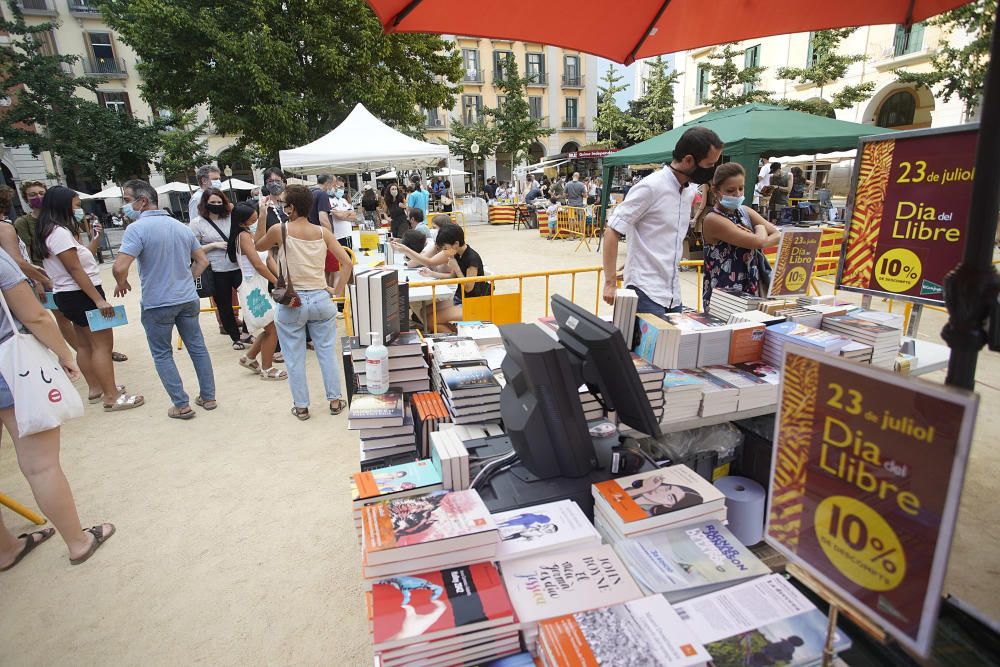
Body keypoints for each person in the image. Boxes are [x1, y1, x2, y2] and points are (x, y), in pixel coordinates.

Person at [0, 251, 115, 569]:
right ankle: (78, 541)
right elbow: (35, 315)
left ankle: (5, 548)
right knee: (41, 466)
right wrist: (65, 354)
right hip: (9, 366)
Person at [112, 180, 216, 420]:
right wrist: (186, 280)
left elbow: (120, 266)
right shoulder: (181, 227)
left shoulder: (136, 229)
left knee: (162, 353)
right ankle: (208, 397)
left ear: (143, 201)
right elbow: (202, 261)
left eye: (128, 200)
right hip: (186, 298)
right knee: (197, 348)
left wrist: (121, 281)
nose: (126, 206)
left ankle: (181, 404)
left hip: (157, 301)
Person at [35, 186, 142, 412]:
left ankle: (97, 388)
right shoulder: (59, 233)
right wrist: (98, 300)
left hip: (69, 295)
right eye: (76, 205)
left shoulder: (50, 231)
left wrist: (95, 238)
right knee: (102, 345)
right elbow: (75, 270)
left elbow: (80, 260)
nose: (79, 210)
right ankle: (111, 396)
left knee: (84, 344)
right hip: (82, 294)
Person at [255, 184, 353, 420]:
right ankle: (335, 400)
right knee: (327, 352)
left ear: (291, 207)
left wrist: (261, 214)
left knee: (294, 357)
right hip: (321, 297)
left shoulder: (281, 229)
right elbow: (347, 264)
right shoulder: (323, 233)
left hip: (292, 301)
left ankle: (301, 406)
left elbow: (258, 245)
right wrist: (335, 292)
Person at [602, 126, 724, 316]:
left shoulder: (689, 191)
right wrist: (609, 283)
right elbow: (612, 230)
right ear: (689, 160)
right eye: (709, 165)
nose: (712, 170)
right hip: (645, 292)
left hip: (673, 294)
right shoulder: (650, 187)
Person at [699, 163, 781, 311]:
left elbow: (777, 235)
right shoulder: (713, 219)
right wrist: (760, 229)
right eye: (730, 190)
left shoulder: (744, 211)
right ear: (716, 191)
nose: (737, 194)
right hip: (724, 297)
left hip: (751, 290)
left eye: (741, 188)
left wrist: (759, 238)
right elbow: (759, 241)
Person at [226, 202, 285, 381]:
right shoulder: (243, 236)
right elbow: (258, 264)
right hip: (252, 289)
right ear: (243, 221)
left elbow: (261, 246)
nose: (255, 221)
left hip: (258, 286)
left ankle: (250, 357)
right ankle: (267, 368)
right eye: (252, 219)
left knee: (270, 327)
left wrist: (262, 214)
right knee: (272, 328)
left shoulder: (248, 234)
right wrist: (277, 282)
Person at [190, 188, 252, 350]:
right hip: (215, 270)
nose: (216, 205)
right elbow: (192, 250)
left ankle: (246, 331)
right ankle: (235, 337)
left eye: (219, 202)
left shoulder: (231, 217)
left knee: (249, 297)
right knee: (224, 305)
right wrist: (213, 245)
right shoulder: (197, 223)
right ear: (205, 204)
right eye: (213, 202)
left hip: (237, 265)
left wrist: (229, 206)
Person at [407, 224, 487, 333]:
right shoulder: (458, 254)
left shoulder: (472, 259)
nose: (444, 252)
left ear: (456, 244)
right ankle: (453, 333)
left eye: (445, 248)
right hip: (460, 298)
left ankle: (458, 339)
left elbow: (468, 287)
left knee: (431, 319)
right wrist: (431, 273)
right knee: (424, 311)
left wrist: (456, 267)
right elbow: (452, 276)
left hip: (472, 303)